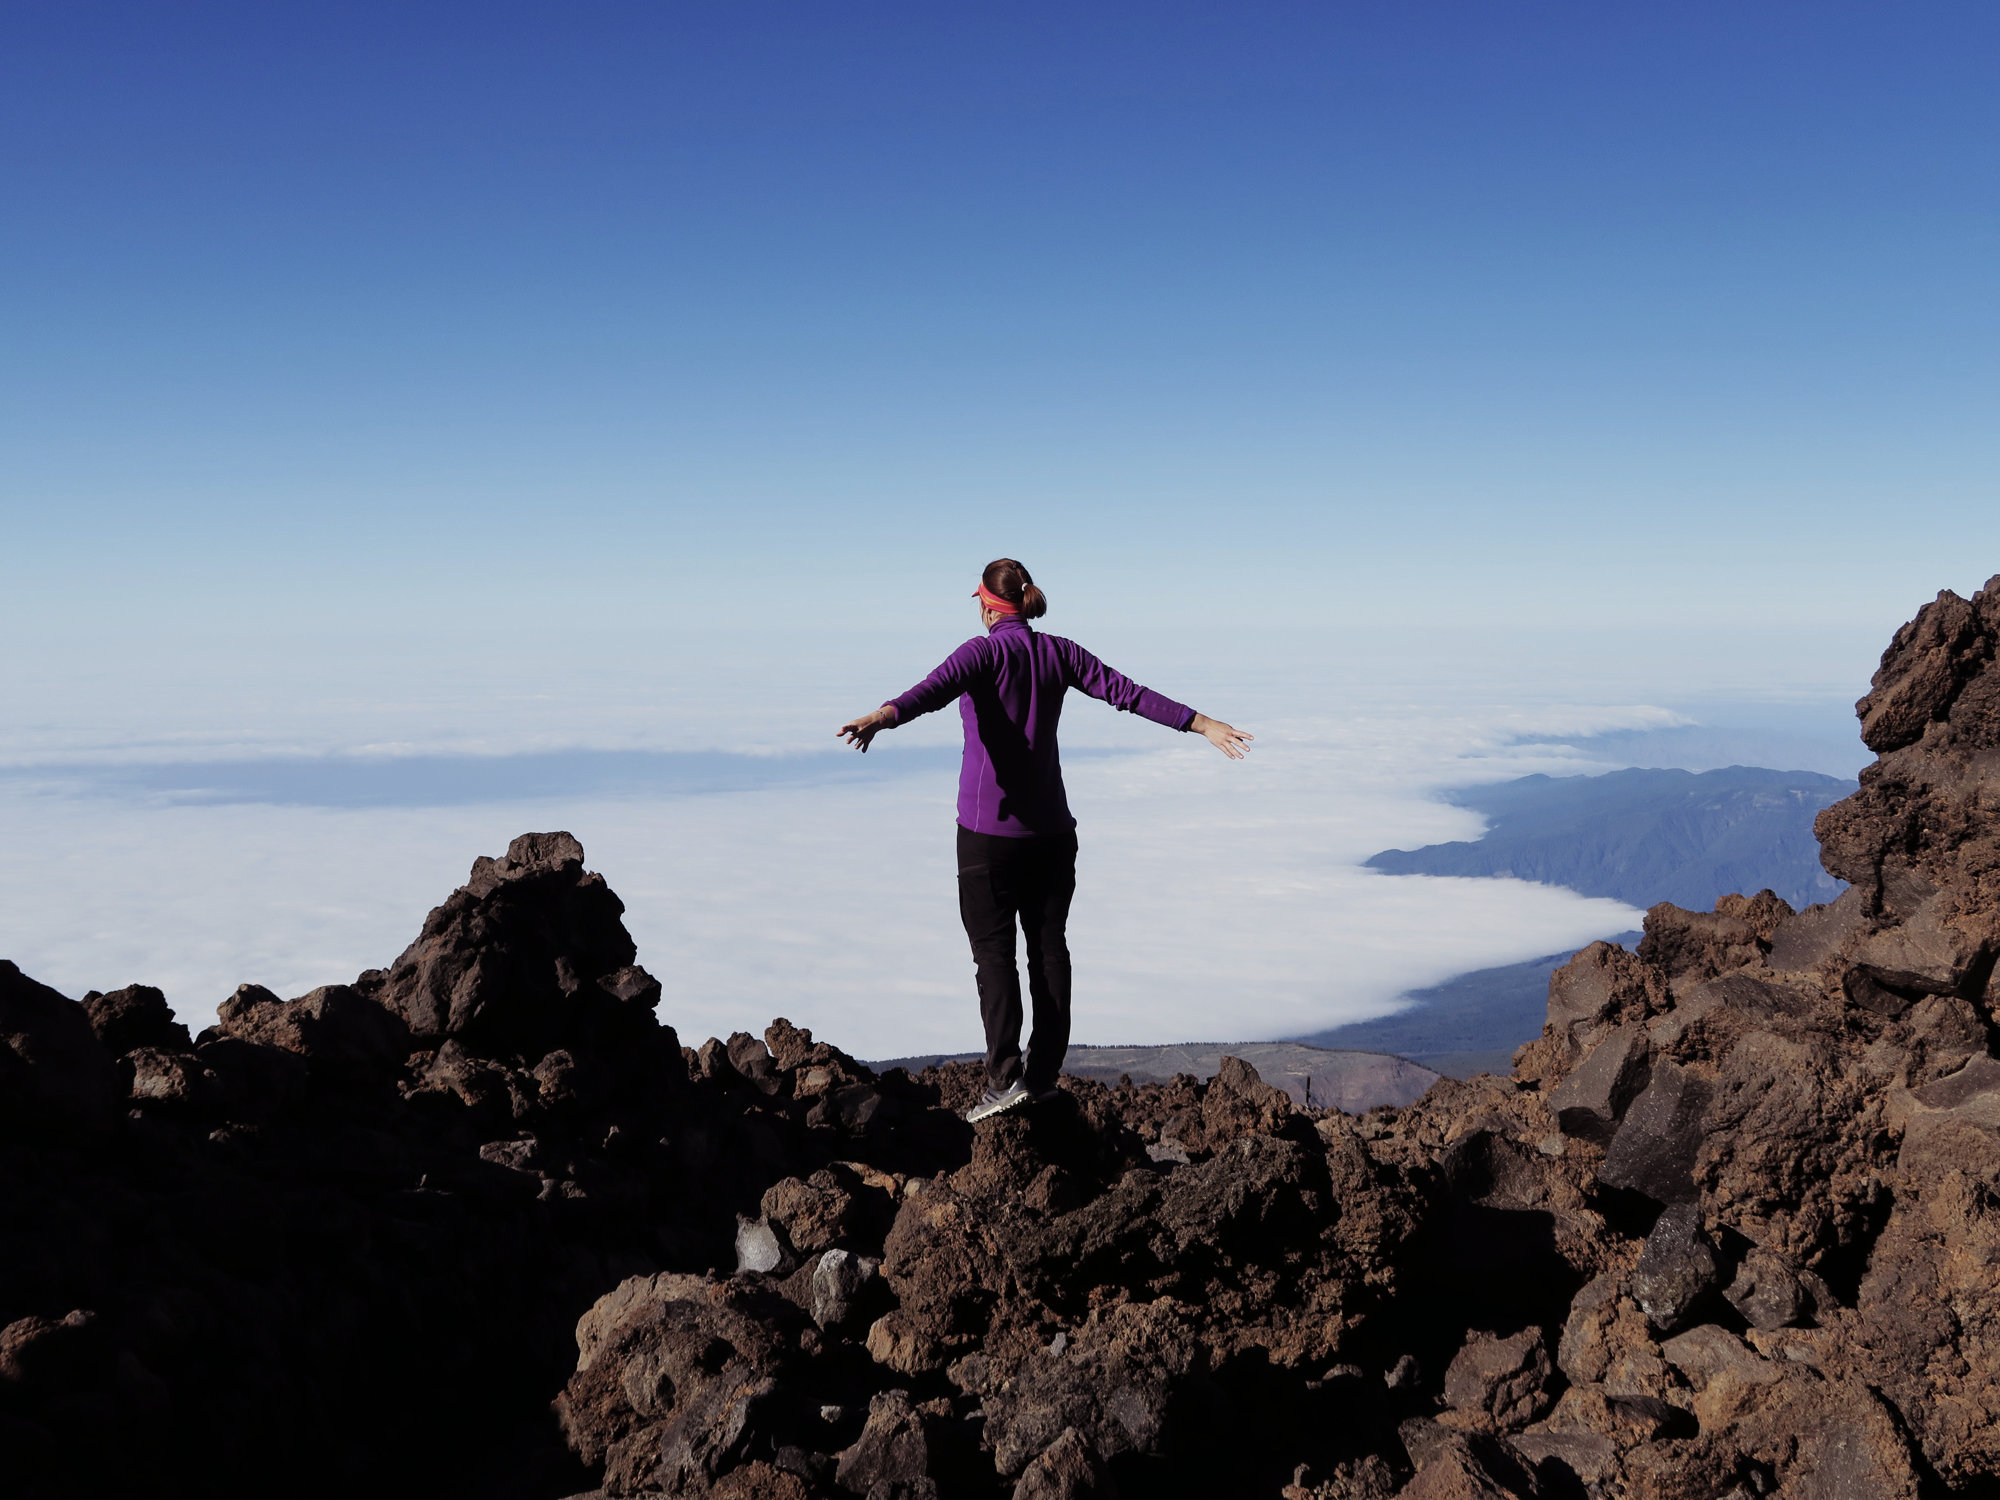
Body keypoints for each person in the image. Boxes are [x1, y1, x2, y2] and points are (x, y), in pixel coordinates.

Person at [837, 558, 1251, 1123]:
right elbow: (1127, 692)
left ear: (987, 605)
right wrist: (1202, 724)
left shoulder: (981, 652)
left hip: (987, 837)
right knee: (1048, 948)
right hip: (1054, 835)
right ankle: (1043, 1077)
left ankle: (1005, 1081)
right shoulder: (1061, 652)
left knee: (994, 956)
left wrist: (878, 719)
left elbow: (927, 693)